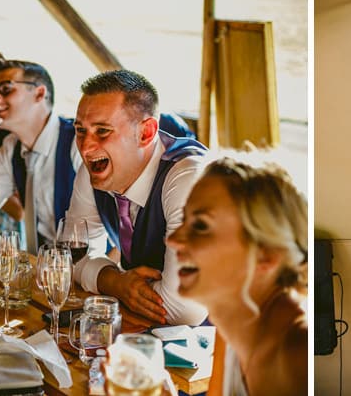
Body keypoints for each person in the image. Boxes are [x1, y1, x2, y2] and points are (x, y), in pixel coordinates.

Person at [66, 69, 207, 326]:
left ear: (146, 133)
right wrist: (115, 282)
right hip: (150, 336)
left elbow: (184, 309)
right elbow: (68, 258)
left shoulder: (188, 179)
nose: (86, 148)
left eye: (103, 131)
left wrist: (105, 279)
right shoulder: (96, 170)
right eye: (80, 130)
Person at [166, 153, 308, 395]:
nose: (173, 240)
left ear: (266, 254)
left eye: (201, 226)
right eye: (184, 220)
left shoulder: (297, 357)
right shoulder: (233, 323)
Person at [0, 59, 82, 253]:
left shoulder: (78, 142)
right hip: (46, 268)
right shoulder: (11, 147)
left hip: (93, 269)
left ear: (39, 93)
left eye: (5, 89)